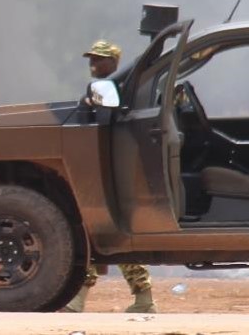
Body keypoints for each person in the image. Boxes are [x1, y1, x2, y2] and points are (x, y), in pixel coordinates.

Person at [64, 40, 155, 314]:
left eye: (99, 58)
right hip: (103, 169)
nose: (93, 63)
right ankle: (143, 299)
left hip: (116, 171)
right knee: (109, 238)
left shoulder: (118, 89)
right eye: (91, 58)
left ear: (114, 62)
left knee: (99, 234)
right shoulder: (107, 88)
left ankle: (79, 300)